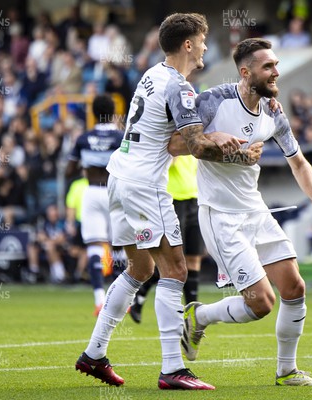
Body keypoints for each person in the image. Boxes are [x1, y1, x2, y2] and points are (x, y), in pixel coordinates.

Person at [74, 13, 262, 390]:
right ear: (188, 44)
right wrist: (238, 154)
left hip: (119, 178)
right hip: (145, 185)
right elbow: (193, 146)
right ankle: (173, 368)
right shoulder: (180, 87)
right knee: (175, 270)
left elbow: (171, 140)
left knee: (139, 270)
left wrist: (215, 135)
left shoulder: (150, 75)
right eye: (203, 40)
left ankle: (94, 354)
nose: (207, 46)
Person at [180, 38, 312, 387]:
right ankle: (199, 315)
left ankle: (287, 371)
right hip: (221, 216)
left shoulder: (274, 112)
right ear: (246, 72)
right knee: (262, 303)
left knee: (294, 287)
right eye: (269, 67)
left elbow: (298, 160)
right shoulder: (213, 102)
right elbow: (178, 143)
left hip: (256, 212)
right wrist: (213, 135)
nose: (276, 71)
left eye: (276, 65)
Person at [65, 94, 123, 315]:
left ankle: (100, 301)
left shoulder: (83, 138)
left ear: (93, 114)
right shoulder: (120, 137)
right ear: (114, 113)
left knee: (95, 247)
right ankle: (120, 301)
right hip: (114, 192)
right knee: (119, 245)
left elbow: (69, 171)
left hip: (91, 193)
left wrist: (88, 163)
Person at [129, 155, 204, 323]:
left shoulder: (194, 138)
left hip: (195, 198)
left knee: (194, 258)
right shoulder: (176, 135)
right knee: (173, 260)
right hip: (173, 199)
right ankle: (140, 295)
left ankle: (193, 313)